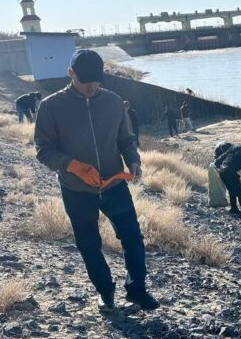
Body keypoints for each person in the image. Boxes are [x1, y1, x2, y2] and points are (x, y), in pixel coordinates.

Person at [34, 49, 158, 311]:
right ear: (71, 74)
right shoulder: (50, 107)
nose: (92, 86)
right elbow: (43, 151)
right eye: (85, 80)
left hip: (114, 184)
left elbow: (126, 139)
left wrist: (133, 160)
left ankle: (137, 289)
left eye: (97, 80)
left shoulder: (114, 102)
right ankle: (105, 291)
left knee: (133, 238)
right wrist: (72, 166)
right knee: (89, 245)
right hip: (76, 189)